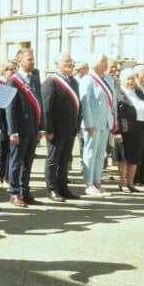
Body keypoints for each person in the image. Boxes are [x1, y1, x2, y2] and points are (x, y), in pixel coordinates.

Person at [5, 48, 43, 207]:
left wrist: (41, 127)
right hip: (19, 129)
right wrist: (12, 130)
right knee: (16, 162)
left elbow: (39, 103)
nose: (32, 62)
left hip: (33, 128)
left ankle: (25, 192)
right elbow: (10, 107)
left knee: (28, 162)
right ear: (19, 61)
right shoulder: (13, 80)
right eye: (29, 59)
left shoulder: (34, 79)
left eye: (33, 59)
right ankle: (14, 193)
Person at [40, 53, 81, 202]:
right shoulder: (51, 82)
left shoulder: (74, 82)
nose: (70, 63)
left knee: (65, 161)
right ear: (56, 64)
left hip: (70, 128)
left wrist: (77, 124)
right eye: (66, 61)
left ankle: (63, 187)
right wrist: (48, 129)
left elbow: (78, 106)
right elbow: (46, 108)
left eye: (71, 61)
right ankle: (51, 189)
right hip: (56, 130)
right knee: (53, 160)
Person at [78, 54, 116, 197]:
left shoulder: (108, 79)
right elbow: (84, 102)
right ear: (94, 63)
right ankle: (89, 183)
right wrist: (88, 123)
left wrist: (113, 120)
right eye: (103, 61)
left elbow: (111, 102)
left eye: (106, 60)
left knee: (101, 154)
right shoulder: (88, 79)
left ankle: (97, 182)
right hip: (92, 123)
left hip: (105, 121)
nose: (106, 63)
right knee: (90, 153)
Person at [115, 69, 144, 193]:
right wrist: (117, 131)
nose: (131, 81)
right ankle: (122, 183)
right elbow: (116, 114)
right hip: (124, 129)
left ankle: (130, 183)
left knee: (135, 157)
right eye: (128, 79)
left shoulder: (139, 92)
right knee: (123, 157)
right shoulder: (118, 93)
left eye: (133, 78)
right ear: (121, 80)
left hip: (139, 128)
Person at [0, 60, 16, 191]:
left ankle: (8, 177)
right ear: (3, 71)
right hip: (1, 123)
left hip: (12, 123)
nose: (11, 71)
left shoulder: (15, 83)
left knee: (10, 150)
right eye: (8, 69)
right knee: (1, 150)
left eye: (13, 69)